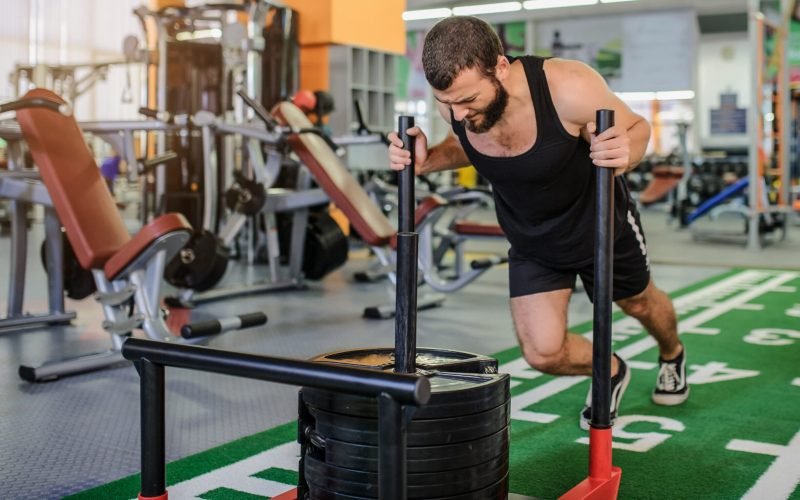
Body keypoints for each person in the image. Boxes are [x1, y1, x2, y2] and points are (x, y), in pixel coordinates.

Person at [388, 16, 688, 429]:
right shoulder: (456, 101)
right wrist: (427, 160)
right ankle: (611, 368)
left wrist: (625, 150)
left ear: (500, 67)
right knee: (544, 352)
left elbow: (636, 128)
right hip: (532, 240)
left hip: (599, 225)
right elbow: (465, 144)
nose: (457, 112)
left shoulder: (567, 86)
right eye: (447, 102)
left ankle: (672, 353)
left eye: (467, 99)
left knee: (639, 303)